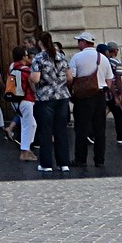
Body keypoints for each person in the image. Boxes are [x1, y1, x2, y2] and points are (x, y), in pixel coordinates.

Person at [31, 34, 72, 173]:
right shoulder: (62, 56)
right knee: (61, 130)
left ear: (39, 42)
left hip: (45, 97)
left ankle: (46, 164)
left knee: (46, 131)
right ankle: (64, 163)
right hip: (62, 96)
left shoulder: (39, 58)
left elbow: (36, 79)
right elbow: (70, 77)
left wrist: (33, 78)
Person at [68, 32, 109, 170]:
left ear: (84, 42)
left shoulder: (77, 57)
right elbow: (109, 79)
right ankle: (100, 159)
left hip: (83, 98)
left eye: (79, 41)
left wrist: (71, 90)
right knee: (100, 129)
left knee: (81, 129)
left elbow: (70, 77)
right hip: (100, 95)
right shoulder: (103, 58)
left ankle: (80, 159)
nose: (78, 43)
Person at [8, 46, 38, 160]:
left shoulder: (12, 67)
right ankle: (25, 151)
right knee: (28, 124)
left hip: (16, 100)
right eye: (26, 55)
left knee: (31, 124)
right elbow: (32, 83)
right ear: (22, 57)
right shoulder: (26, 69)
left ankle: (27, 148)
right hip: (26, 99)